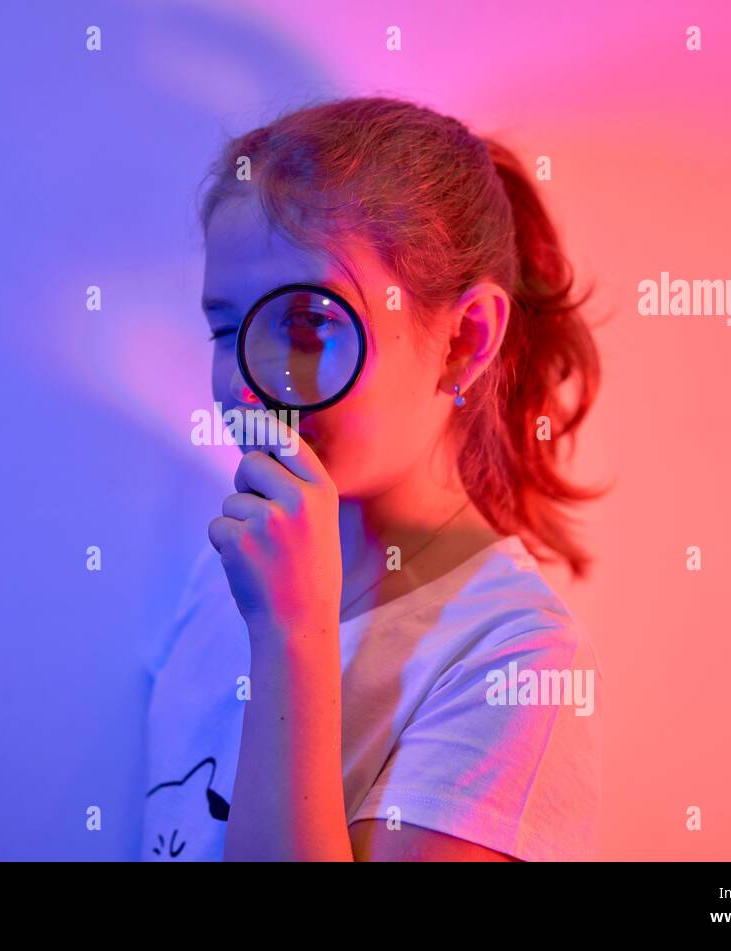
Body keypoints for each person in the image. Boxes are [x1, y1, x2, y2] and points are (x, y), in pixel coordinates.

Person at [142, 95, 604, 861]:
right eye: (227, 328)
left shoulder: (514, 659)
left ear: (464, 340)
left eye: (305, 324)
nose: (251, 382)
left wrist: (293, 634)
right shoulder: (218, 575)